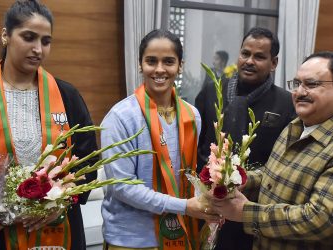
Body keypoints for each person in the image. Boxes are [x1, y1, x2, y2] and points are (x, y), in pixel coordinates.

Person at [0, 1, 97, 249]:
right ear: (6, 35)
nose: (38, 49)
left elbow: (89, 163)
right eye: (28, 37)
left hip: (59, 229)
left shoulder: (67, 96)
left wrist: (63, 199)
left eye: (46, 41)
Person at [101, 29, 221, 250]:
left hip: (182, 232)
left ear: (180, 66)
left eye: (168, 61)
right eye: (151, 61)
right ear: (140, 64)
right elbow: (122, 186)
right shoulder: (121, 117)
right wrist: (184, 206)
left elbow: (188, 173)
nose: (159, 69)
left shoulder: (191, 115)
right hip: (132, 239)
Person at [211, 51, 333, 249]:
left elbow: (320, 219)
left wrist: (245, 213)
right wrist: (237, 180)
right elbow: (272, 175)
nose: (300, 92)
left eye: (311, 84)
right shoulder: (294, 127)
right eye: (296, 84)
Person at [195, 27, 296, 250]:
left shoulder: (287, 103)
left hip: (252, 210)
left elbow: (286, 160)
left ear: (274, 63)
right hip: (206, 203)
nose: (249, 61)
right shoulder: (212, 91)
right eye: (245, 53)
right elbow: (198, 145)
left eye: (259, 56)